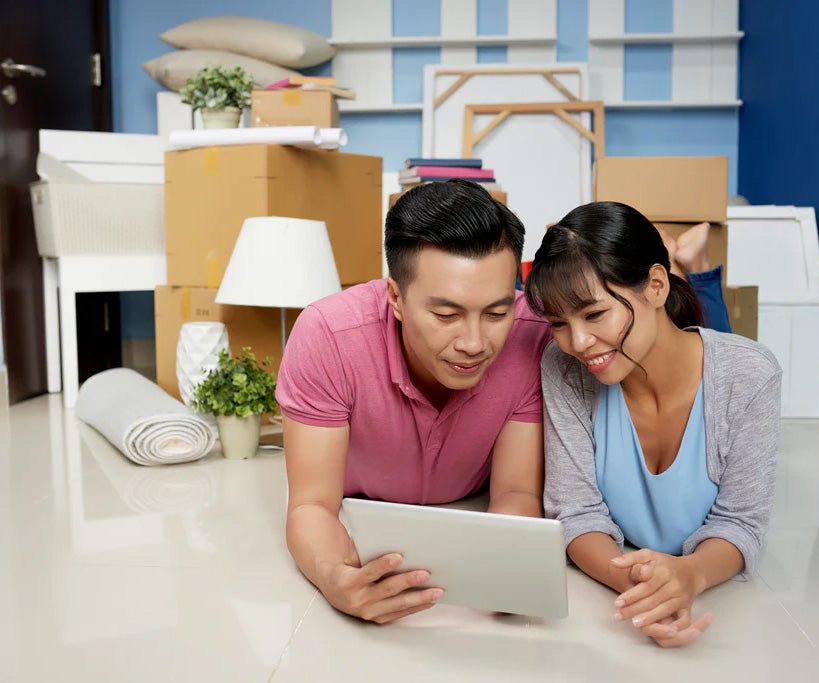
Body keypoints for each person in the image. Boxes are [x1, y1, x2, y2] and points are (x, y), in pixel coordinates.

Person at [276, 180, 550, 624]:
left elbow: (516, 490)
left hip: (467, 512)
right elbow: (311, 505)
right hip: (361, 518)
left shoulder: (532, 334)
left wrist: (508, 566)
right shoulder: (327, 334)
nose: (475, 343)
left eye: (498, 312)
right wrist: (333, 578)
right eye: (446, 315)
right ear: (396, 298)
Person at [524, 201, 781, 648]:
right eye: (558, 323)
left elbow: (742, 521)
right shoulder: (563, 367)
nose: (577, 342)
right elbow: (575, 510)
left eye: (595, 314)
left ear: (657, 286)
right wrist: (642, 588)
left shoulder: (750, 375)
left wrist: (690, 574)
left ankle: (696, 266)